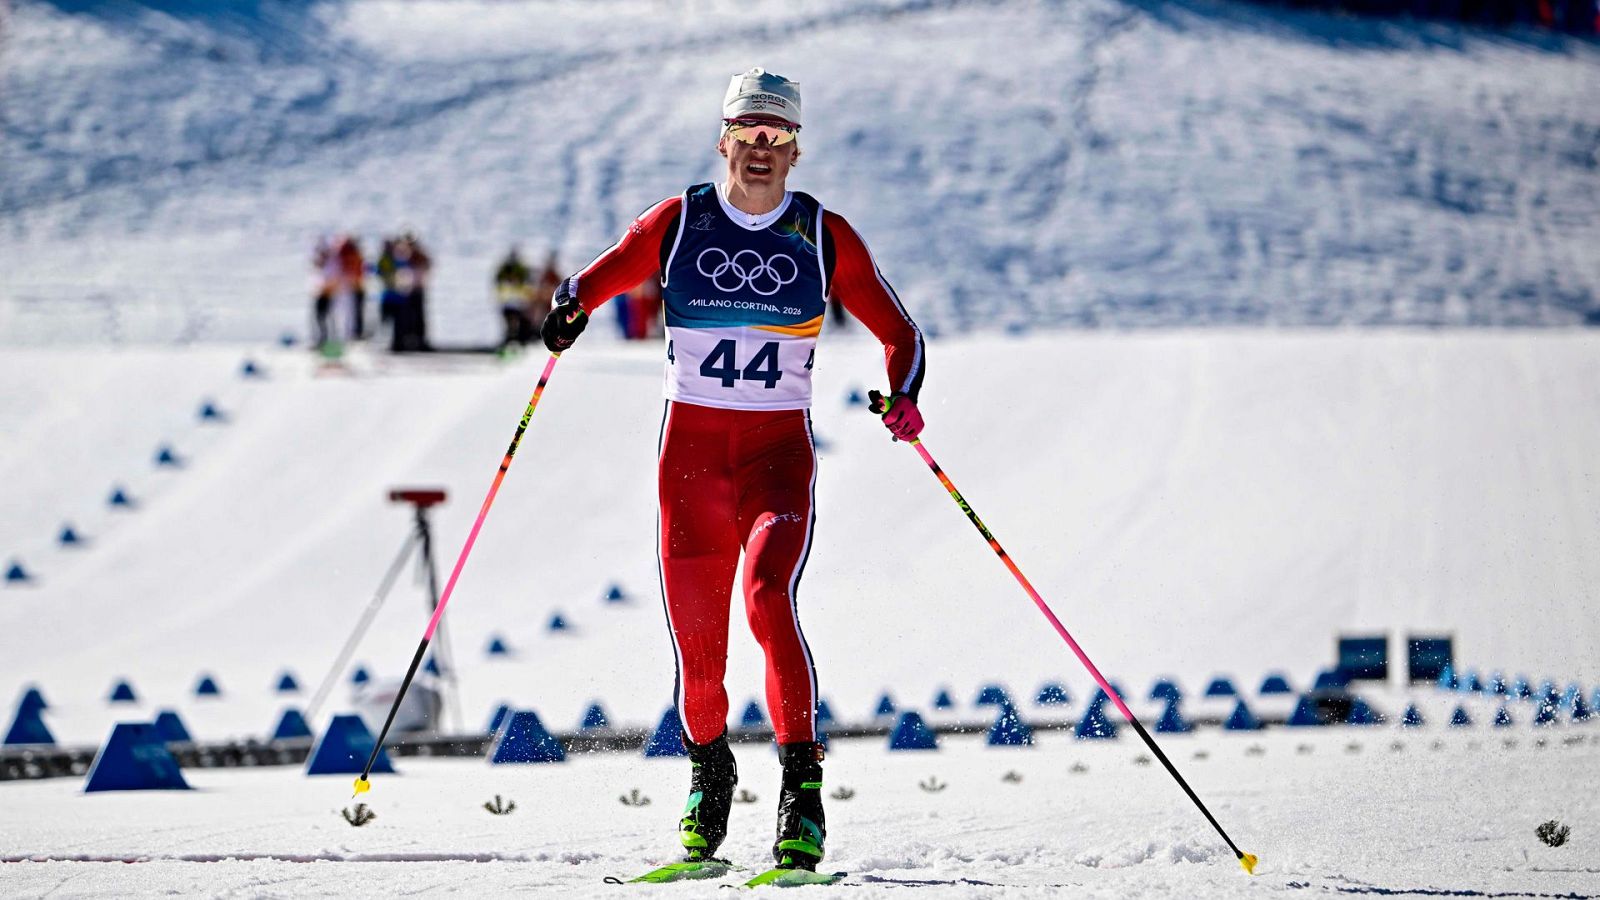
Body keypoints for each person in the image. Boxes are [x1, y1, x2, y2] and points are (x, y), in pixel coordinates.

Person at [539, 68, 926, 874]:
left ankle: (801, 795)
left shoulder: (823, 235)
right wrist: (571, 307)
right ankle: (710, 776)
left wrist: (904, 395)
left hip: (776, 460)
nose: (760, 149)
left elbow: (901, 333)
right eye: (747, 133)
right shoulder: (680, 222)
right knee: (699, 649)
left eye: (776, 136)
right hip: (689, 466)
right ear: (723, 140)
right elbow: (600, 275)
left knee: (767, 597)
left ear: (795, 150)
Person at [493, 246, 535, 347]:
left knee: (517, 325)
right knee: (511, 325)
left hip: (517, 302)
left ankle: (516, 342)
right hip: (509, 302)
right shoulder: (506, 269)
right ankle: (510, 342)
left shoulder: (519, 270)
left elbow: (527, 281)